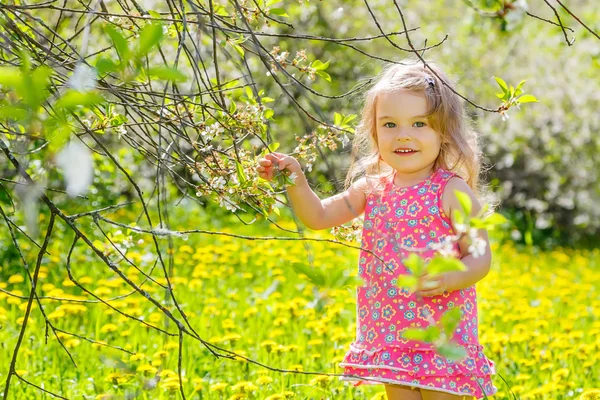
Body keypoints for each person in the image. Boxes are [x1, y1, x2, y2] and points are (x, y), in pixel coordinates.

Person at [255, 59, 498, 400]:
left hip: (442, 334)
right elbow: (319, 216)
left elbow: (480, 256)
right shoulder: (373, 188)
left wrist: (450, 277)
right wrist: (294, 178)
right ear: (375, 132)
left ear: (443, 131)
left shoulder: (451, 191)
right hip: (391, 333)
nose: (403, 135)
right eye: (390, 124)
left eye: (419, 123)